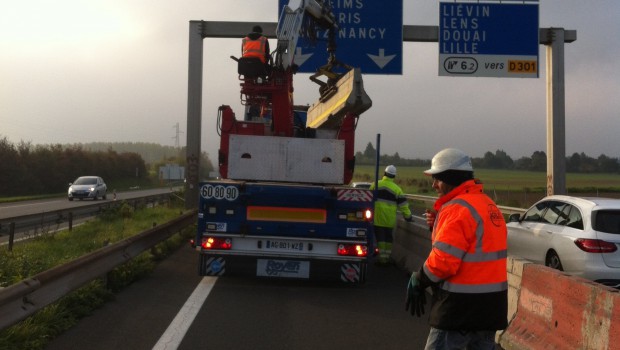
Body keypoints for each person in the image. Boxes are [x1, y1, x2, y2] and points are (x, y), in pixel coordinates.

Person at [405, 148, 508, 350]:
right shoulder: (488, 205)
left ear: (451, 178)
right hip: (491, 309)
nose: (434, 184)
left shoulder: (457, 209)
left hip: (459, 310)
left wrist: (420, 279)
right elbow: (475, 246)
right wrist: (438, 226)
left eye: (437, 179)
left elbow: (443, 262)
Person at [370, 165, 413, 265]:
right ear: (394, 176)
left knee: (380, 239)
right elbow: (403, 206)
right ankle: (386, 258)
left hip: (377, 218)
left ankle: (382, 260)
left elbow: (368, 200)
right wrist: (408, 217)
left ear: (384, 174)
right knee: (388, 239)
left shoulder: (375, 185)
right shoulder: (397, 189)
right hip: (389, 220)